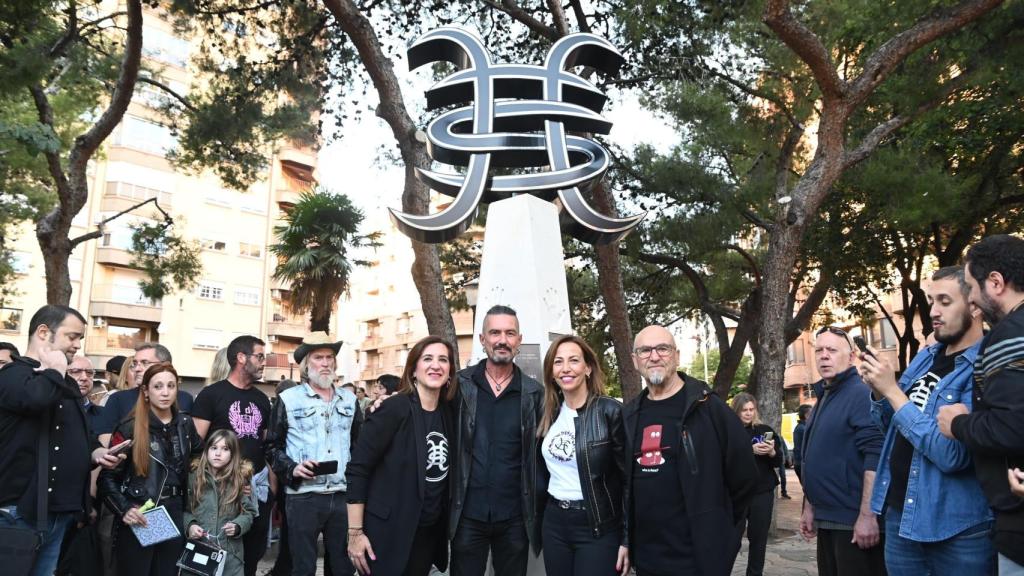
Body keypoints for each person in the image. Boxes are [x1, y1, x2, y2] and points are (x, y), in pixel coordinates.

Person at [860, 266, 993, 575]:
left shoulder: (983, 365)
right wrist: (879, 391)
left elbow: (952, 456)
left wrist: (893, 391)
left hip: (957, 529)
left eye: (944, 301)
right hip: (900, 516)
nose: (933, 311)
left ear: (974, 304)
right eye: (931, 301)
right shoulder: (926, 357)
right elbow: (892, 429)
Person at [624, 325, 757, 576]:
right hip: (647, 558)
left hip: (699, 559)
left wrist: (724, 533)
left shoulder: (708, 408)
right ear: (634, 360)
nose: (654, 356)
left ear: (676, 355)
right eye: (645, 350)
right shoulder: (629, 416)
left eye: (662, 348)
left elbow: (745, 477)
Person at [0, 305, 123, 576]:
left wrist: (95, 453)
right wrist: (55, 370)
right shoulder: (13, 375)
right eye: (72, 336)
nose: (77, 345)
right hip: (18, 513)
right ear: (44, 332)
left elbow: (75, 432)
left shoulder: (61, 382)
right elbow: (35, 400)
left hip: (58, 513)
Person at [936, 235, 1024, 573]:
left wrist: (958, 424)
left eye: (971, 286)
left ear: (996, 283)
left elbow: (1013, 427)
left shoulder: (1009, 334)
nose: (971, 298)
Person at [346, 336, 456, 576]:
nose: (435, 365)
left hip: (427, 533)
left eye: (443, 360)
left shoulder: (449, 413)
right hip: (387, 534)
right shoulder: (393, 409)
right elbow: (358, 469)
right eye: (427, 359)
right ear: (414, 370)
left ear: (450, 371)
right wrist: (355, 533)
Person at [449, 305, 544, 576]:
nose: (502, 340)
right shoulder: (459, 385)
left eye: (509, 333)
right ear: (482, 339)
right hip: (467, 514)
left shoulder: (534, 394)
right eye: (495, 332)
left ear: (519, 340)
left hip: (515, 517)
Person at [265, 332, 362, 576]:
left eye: (330, 357)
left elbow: (359, 447)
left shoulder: (350, 400)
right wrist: (292, 468)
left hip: (342, 495)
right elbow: (271, 447)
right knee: (303, 568)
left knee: (342, 568)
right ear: (307, 365)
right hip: (303, 497)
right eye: (319, 357)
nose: (326, 363)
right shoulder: (288, 399)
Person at [97, 362, 202, 576]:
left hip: (175, 509)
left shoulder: (185, 424)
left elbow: (202, 461)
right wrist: (124, 508)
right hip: (145, 511)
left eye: (171, 386)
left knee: (166, 572)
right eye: (158, 386)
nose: (165, 392)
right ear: (146, 391)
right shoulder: (130, 426)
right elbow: (106, 478)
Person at [536, 335, 629, 576]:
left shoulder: (610, 412)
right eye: (558, 362)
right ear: (551, 372)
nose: (565, 368)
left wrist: (628, 539)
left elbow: (629, 480)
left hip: (597, 525)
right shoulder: (548, 413)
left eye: (573, 360)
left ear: (587, 368)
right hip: (555, 523)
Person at [800, 326, 886, 576]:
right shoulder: (825, 396)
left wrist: (868, 516)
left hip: (852, 526)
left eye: (832, 350)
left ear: (851, 357)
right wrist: (809, 506)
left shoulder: (860, 394)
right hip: (827, 521)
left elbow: (876, 455)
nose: (823, 356)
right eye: (819, 350)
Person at [191, 335, 273, 576]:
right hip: (221, 492)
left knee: (253, 554)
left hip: (256, 488)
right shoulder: (211, 395)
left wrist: (271, 492)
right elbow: (197, 446)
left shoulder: (261, 399)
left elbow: (266, 446)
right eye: (259, 356)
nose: (263, 362)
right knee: (219, 555)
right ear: (241, 358)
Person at [185, 429, 258, 576]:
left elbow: (249, 512)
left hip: (231, 556)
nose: (218, 453)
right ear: (206, 451)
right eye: (214, 448)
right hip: (199, 552)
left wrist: (238, 526)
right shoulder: (194, 478)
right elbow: (184, 510)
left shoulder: (239, 480)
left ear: (233, 454)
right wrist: (190, 526)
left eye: (225, 449)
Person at [95, 342, 194, 447]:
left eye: (145, 362)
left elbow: (191, 444)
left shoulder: (185, 399)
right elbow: (105, 447)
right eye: (135, 363)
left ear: (165, 365)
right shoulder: (118, 399)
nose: (137, 369)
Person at [731, 392, 782, 576]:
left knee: (759, 539)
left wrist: (771, 453)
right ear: (736, 411)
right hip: (737, 493)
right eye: (744, 410)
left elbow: (779, 462)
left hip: (762, 492)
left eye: (751, 409)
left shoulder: (764, 430)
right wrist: (748, 450)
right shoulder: (729, 431)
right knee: (731, 539)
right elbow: (723, 460)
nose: (748, 413)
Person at [70, 355, 106, 431]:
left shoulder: (104, 414)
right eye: (76, 371)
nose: (84, 377)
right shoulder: (51, 411)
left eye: (89, 372)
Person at [792, 404, 811, 483]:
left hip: (801, 463)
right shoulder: (803, 429)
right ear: (806, 415)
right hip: (803, 464)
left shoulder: (801, 427)